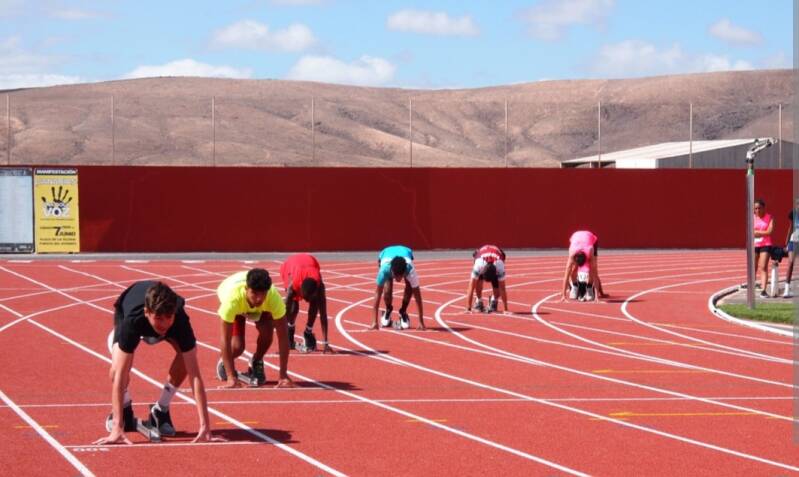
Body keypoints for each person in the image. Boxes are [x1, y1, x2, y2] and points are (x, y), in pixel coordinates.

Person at [94, 281, 220, 445]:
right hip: (128, 309)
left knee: (188, 355)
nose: (164, 323)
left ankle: (161, 410)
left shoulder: (179, 319)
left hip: (163, 317)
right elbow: (120, 375)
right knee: (116, 370)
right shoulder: (133, 321)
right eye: (159, 318)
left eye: (168, 317)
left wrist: (205, 427)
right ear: (147, 312)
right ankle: (124, 410)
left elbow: (195, 376)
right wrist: (117, 428)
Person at [215, 268, 294, 388]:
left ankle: (256, 360)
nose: (258, 299)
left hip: (261, 309)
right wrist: (231, 377)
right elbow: (225, 339)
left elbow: (283, 337)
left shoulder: (273, 298)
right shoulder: (231, 301)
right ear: (246, 288)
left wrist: (283, 375)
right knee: (237, 347)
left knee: (267, 332)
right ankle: (224, 361)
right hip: (238, 306)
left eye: (263, 294)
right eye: (255, 293)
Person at [280, 253, 332, 353]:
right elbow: (285, 312)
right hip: (291, 265)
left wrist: (326, 343)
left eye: (310, 298)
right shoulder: (292, 287)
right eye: (306, 298)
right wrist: (285, 335)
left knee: (315, 303)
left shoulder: (319, 287)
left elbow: (323, 314)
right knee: (293, 308)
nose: (307, 301)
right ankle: (291, 330)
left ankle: (308, 331)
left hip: (310, 261)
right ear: (300, 291)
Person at [371, 245, 425, 330]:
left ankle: (403, 311)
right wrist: (374, 322)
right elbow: (377, 294)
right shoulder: (384, 270)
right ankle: (388, 309)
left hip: (405, 252)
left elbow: (417, 296)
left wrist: (421, 322)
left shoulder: (410, 270)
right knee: (387, 289)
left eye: (400, 276)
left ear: (404, 272)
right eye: (396, 276)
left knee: (410, 286)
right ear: (392, 271)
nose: (398, 279)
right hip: (385, 253)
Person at [561, 230, 606, 301]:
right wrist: (563, 295)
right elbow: (566, 276)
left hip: (590, 239)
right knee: (573, 268)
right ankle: (575, 286)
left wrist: (597, 297)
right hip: (575, 238)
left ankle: (589, 287)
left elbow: (595, 274)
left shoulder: (590, 250)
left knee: (592, 268)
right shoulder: (572, 253)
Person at [465, 244, 508, 313]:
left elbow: (502, 288)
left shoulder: (500, 265)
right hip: (481, 255)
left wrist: (506, 309)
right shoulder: (478, 265)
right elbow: (471, 287)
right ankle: (479, 300)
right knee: (477, 280)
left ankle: (494, 300)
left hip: (497, 255)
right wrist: (468, 308)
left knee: (498, 287)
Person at [753, 199, 774, 298]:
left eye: (759, 208)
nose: (757, 210)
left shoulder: (770, 217)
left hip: (766, 244)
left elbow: (770, 231)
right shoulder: (752, 218)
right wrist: (762, 233)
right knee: (753, 267)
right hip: (754, 244)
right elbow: (750, 231)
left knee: (763, 266)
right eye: (755, 208)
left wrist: (758, 233)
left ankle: (763, 290)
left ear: (764, 208)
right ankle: (752, 284)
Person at [782, 199, 799, 297]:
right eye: (797, 204)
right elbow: (791, 227)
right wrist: (787, 243)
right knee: (791, 263)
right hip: (793, 241)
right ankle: (786, 290)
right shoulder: (793, 213)